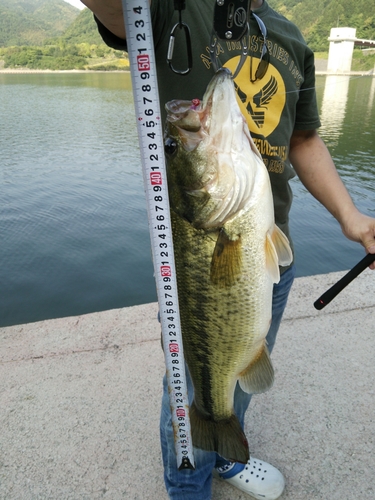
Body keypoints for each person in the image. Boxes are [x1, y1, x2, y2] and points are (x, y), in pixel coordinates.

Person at [81, 1, 375, 498]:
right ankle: (187, 483)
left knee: (242, 367)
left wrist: (353, 218)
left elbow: (303, 138)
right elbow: (113, 8)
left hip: (268, 253)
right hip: (198, 259)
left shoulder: (290, 36)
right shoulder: (168, 10)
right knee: (195, 383)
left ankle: (225, 454)